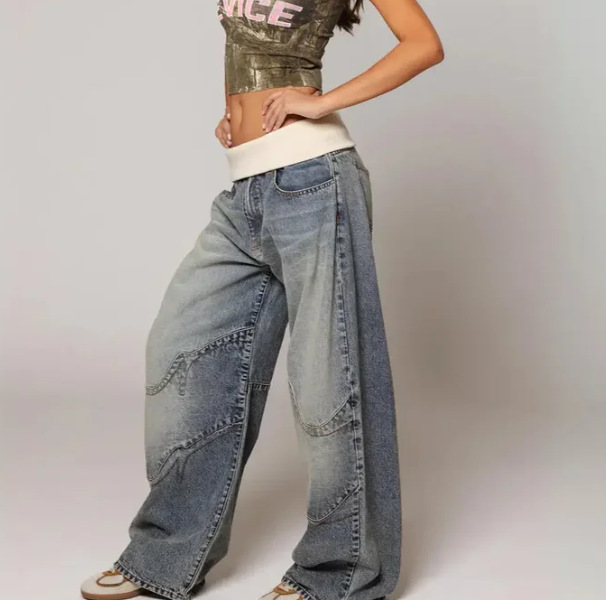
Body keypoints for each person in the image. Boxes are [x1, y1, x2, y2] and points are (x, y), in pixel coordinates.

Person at [79, 1, 443, 599]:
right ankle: (168, 553)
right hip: (246, 188)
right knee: (183, 350)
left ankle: (339, 573)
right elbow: (250, 52)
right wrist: (235, 113)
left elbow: (423, 43)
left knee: (329, 380)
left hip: (313, 182)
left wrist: (323, 102)